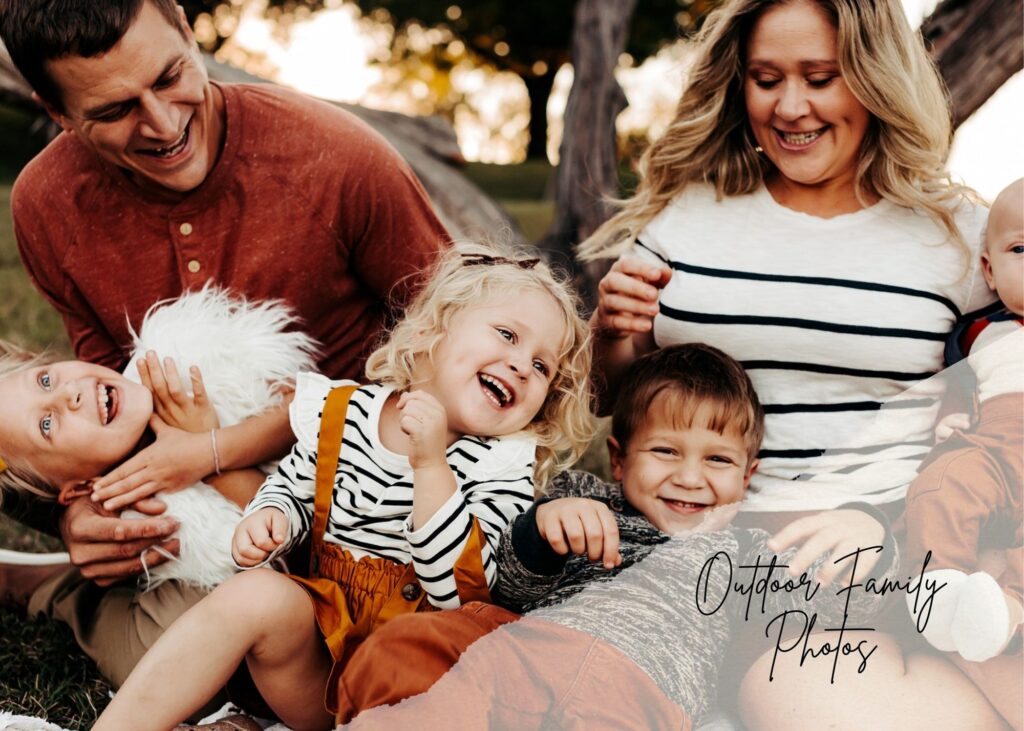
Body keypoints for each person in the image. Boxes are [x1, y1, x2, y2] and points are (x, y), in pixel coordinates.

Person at [576, 0, 1007, 727]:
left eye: (820, 76)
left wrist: (893, 525)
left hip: (921, 552)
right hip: (744, 580)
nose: (790, 105)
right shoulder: (690, 215)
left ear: (873, 79)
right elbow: (608, 399)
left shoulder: (959, 236)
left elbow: (1007, 401)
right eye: (766, 78)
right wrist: (612, 331)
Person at [0, 0, 447, 691]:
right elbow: (101, 393)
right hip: (198, 522)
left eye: (172, 75)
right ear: (57, 114)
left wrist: (217, 452)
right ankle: (65, 586)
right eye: (115, 111)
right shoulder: (46, 204)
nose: (164, 123)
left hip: (364, 490)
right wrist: (80, 518)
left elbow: (465, 348)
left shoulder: (338, 158)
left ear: (185, 27)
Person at [93, 243, 594, 730]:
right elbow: (292, 483)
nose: (521, 365)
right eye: (507, 335)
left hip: (414, 692)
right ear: (437, 328)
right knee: (254, 594)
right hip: (319, 672)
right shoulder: (345, 411)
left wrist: (430, 466)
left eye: (542, 366)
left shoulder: (502, 467)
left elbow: (457, 595)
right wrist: (274, 518)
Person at [331, 343, 897, 729]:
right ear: (620, 461)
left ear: (748, 478)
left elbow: (827, 600)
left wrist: (868, 532)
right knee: (403, 648)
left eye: (718, 460)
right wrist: (541, 532)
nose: (690, 477)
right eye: (666, 451)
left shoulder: (751, 550)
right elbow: (509, 587)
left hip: (640, 684)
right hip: (523, 646)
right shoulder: (586, 496)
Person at [0, 287, 319, 592]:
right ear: (82, 489)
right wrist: (210, 469)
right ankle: (47, 592)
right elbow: (299, 554)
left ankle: (49, 588)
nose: (69, 393)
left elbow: (313, 406)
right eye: (46, 423)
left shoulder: (179, 354)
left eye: (46, 380)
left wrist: (209, 451)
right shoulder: (156, 523)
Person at [904, 179, 1022, 664]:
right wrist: (952, 417)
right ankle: (939, 582)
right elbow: (956, 383)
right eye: (1023, 248)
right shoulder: (978, 334)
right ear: (990, 270)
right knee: (942, 483)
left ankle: (1006, 611)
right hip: (992, 449)